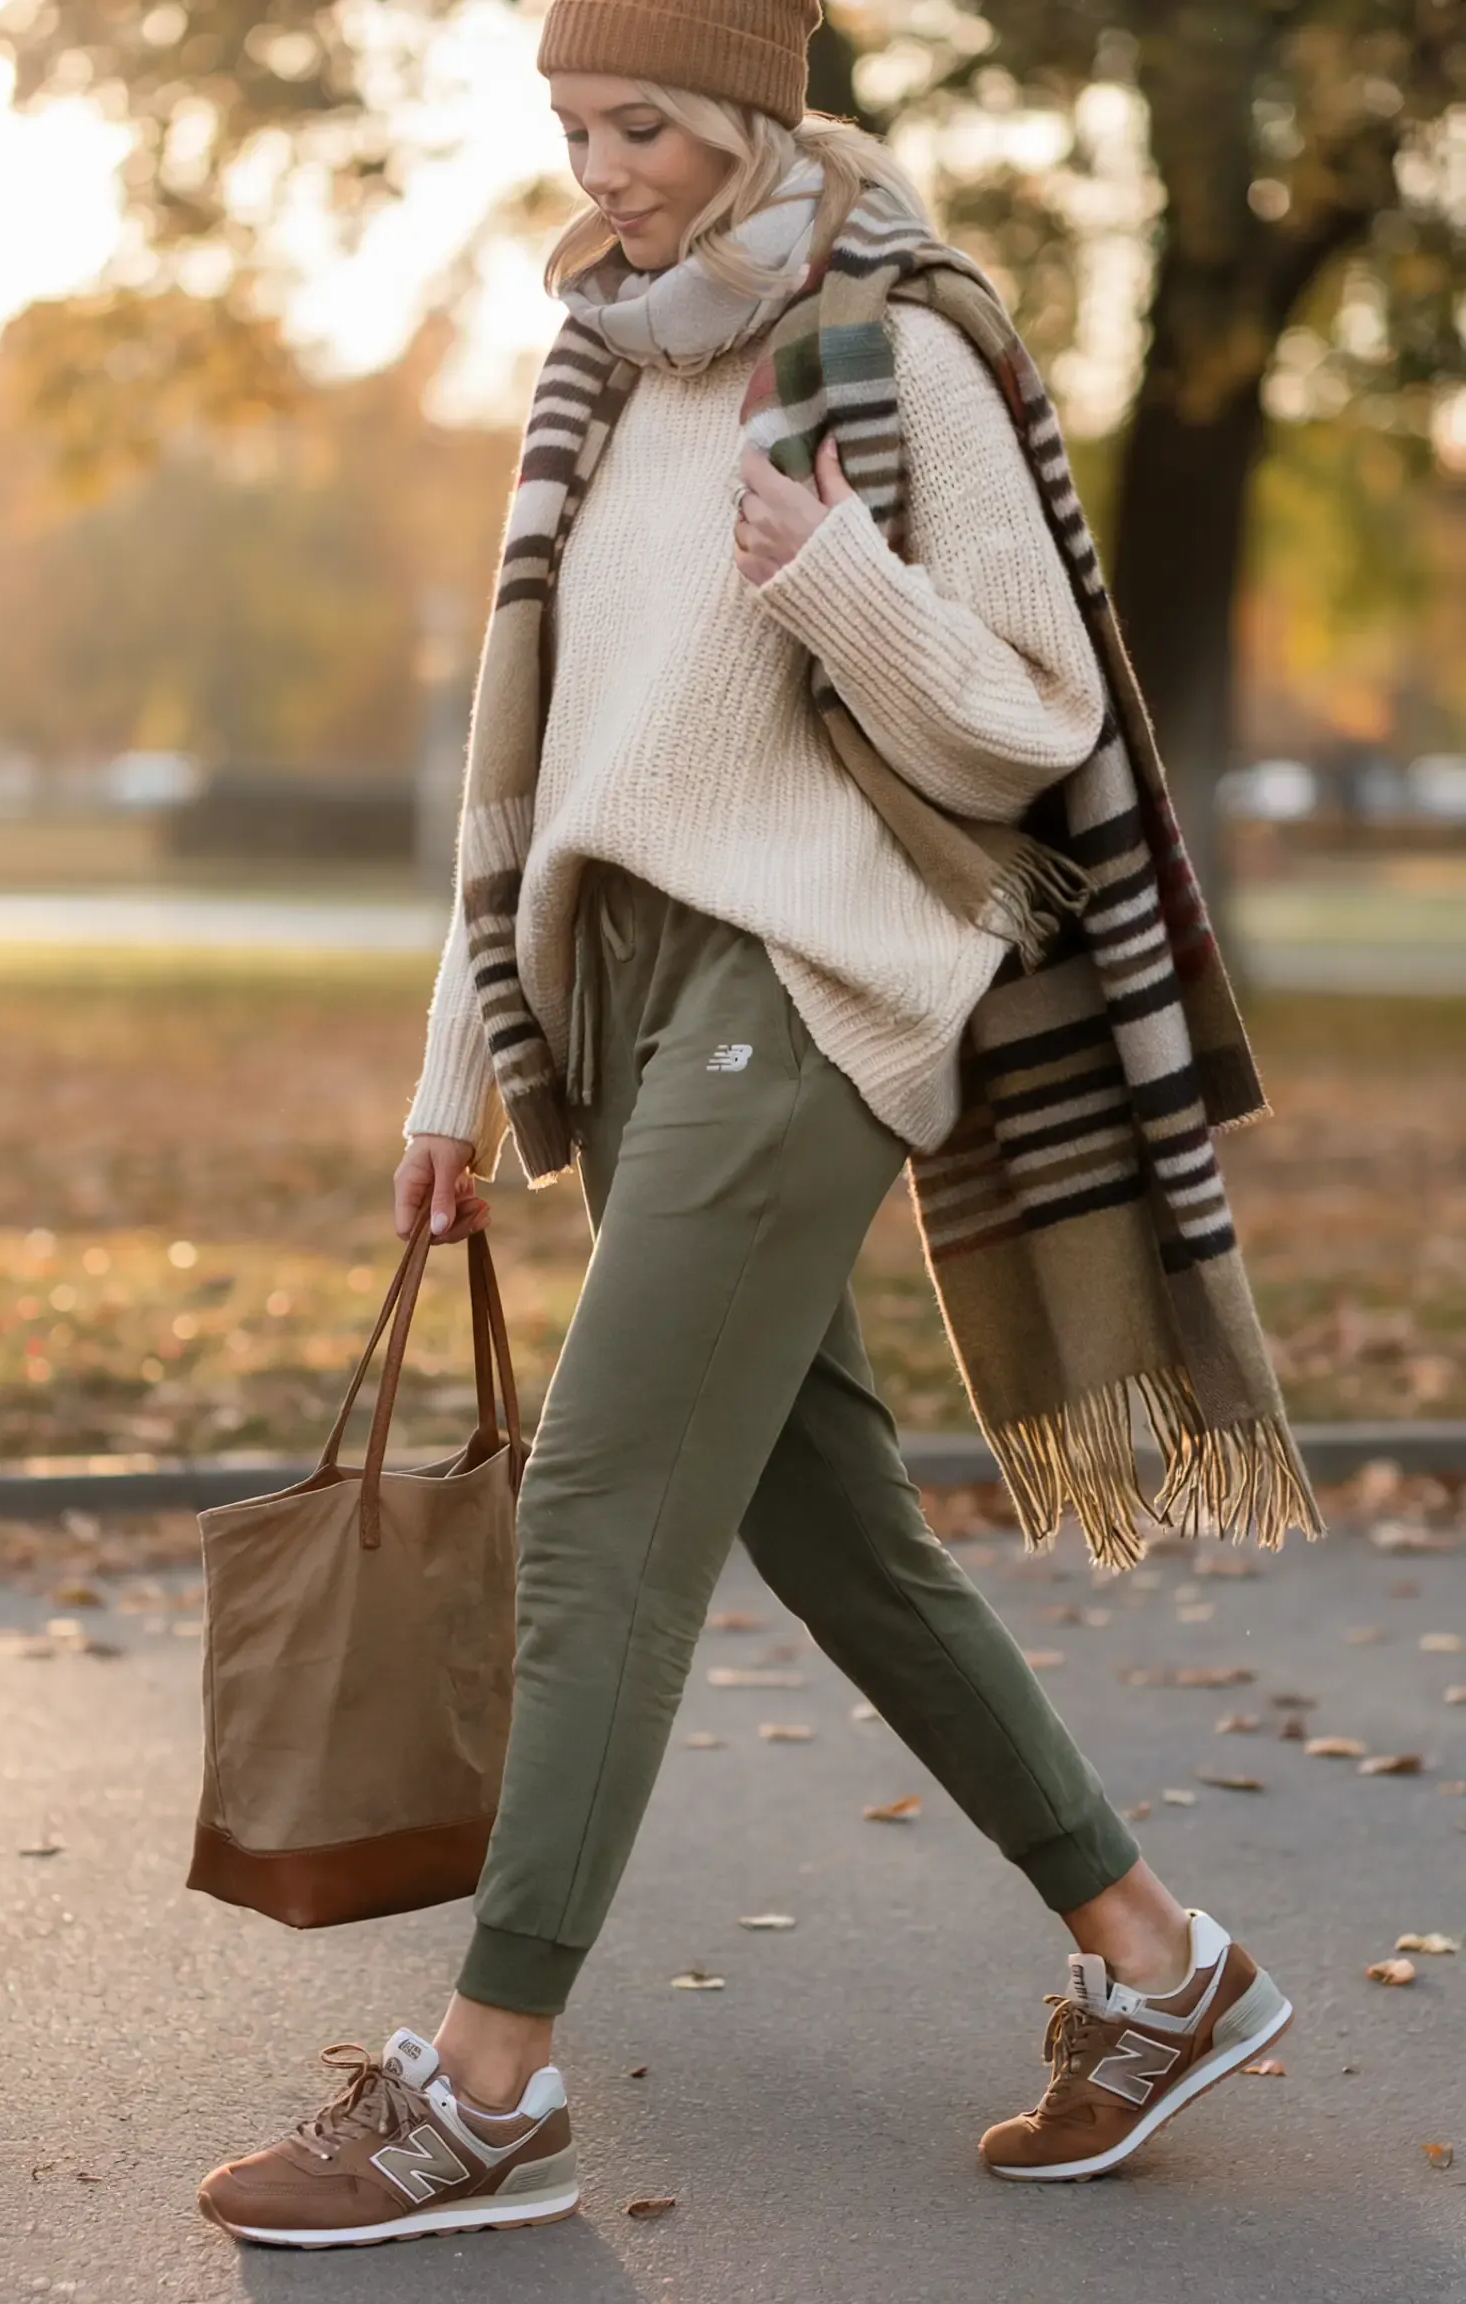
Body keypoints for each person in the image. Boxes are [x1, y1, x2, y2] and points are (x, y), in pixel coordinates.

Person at [198, 0, 1297, 2250]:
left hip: (806, 989)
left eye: (637, 127)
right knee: (830, 1526)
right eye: (573, 127)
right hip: (622, 1002)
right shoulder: (603, 367)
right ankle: (1162, 1964)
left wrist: (832, 575)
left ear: (743, 116)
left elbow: (1032, 715)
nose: (598, 171)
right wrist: (449, 1069)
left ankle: (485, 2087)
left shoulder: (891, 348)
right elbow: (540, 755)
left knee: (600, 1499)